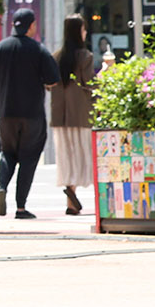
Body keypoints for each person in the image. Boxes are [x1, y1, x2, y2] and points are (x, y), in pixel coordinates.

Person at [0, 9, 59, 220]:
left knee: (7, 153)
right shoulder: (39, 50)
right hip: (32, 115)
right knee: (29, 158)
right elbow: (53, 80)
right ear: (32, 25)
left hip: (7, 113)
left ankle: (2, 187)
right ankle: (20, 207)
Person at [53, 18, 97, 214]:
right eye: (84, 29)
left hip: (59, 117)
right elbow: (90, 85)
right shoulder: (85, 56)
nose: (85, 33)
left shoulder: (56, 57)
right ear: (78, 31)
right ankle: (73, 194)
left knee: (67, 156)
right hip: (81, 115)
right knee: (84, 156)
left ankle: (71, 202)